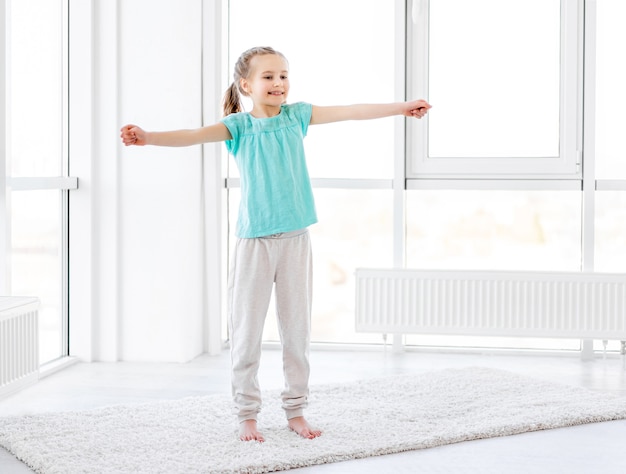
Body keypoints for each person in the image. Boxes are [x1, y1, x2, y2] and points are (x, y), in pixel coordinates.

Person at [120, 46, 431, 443]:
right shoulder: (238, 127)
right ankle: (246, 414)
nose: (279, 83)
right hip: (255, 243)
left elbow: (351, 110)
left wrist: (401, 107)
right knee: (246, 333)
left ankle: (296, 410)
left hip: (296, 242)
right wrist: (148, 138)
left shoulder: (298, 116)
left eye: (283, 75)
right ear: (246, 85)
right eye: (268, 77)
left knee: (296, 334)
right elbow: (192, 136)